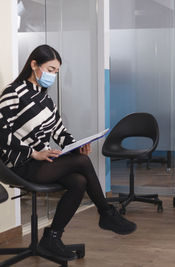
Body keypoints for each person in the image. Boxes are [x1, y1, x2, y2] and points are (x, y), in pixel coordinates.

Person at [0, 45, 137, 261]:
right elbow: (1, 132)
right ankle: (106, 214)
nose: (53, 75)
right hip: (20, 163)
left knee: (78, 181)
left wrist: (76, 144)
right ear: (34, 65)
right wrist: (33, 153)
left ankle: (52, 238)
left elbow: (59, 131)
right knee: (81, 163)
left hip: (41, 161)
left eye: (56, 72)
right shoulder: (13, 92)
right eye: (50, 69)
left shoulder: (46, 100)